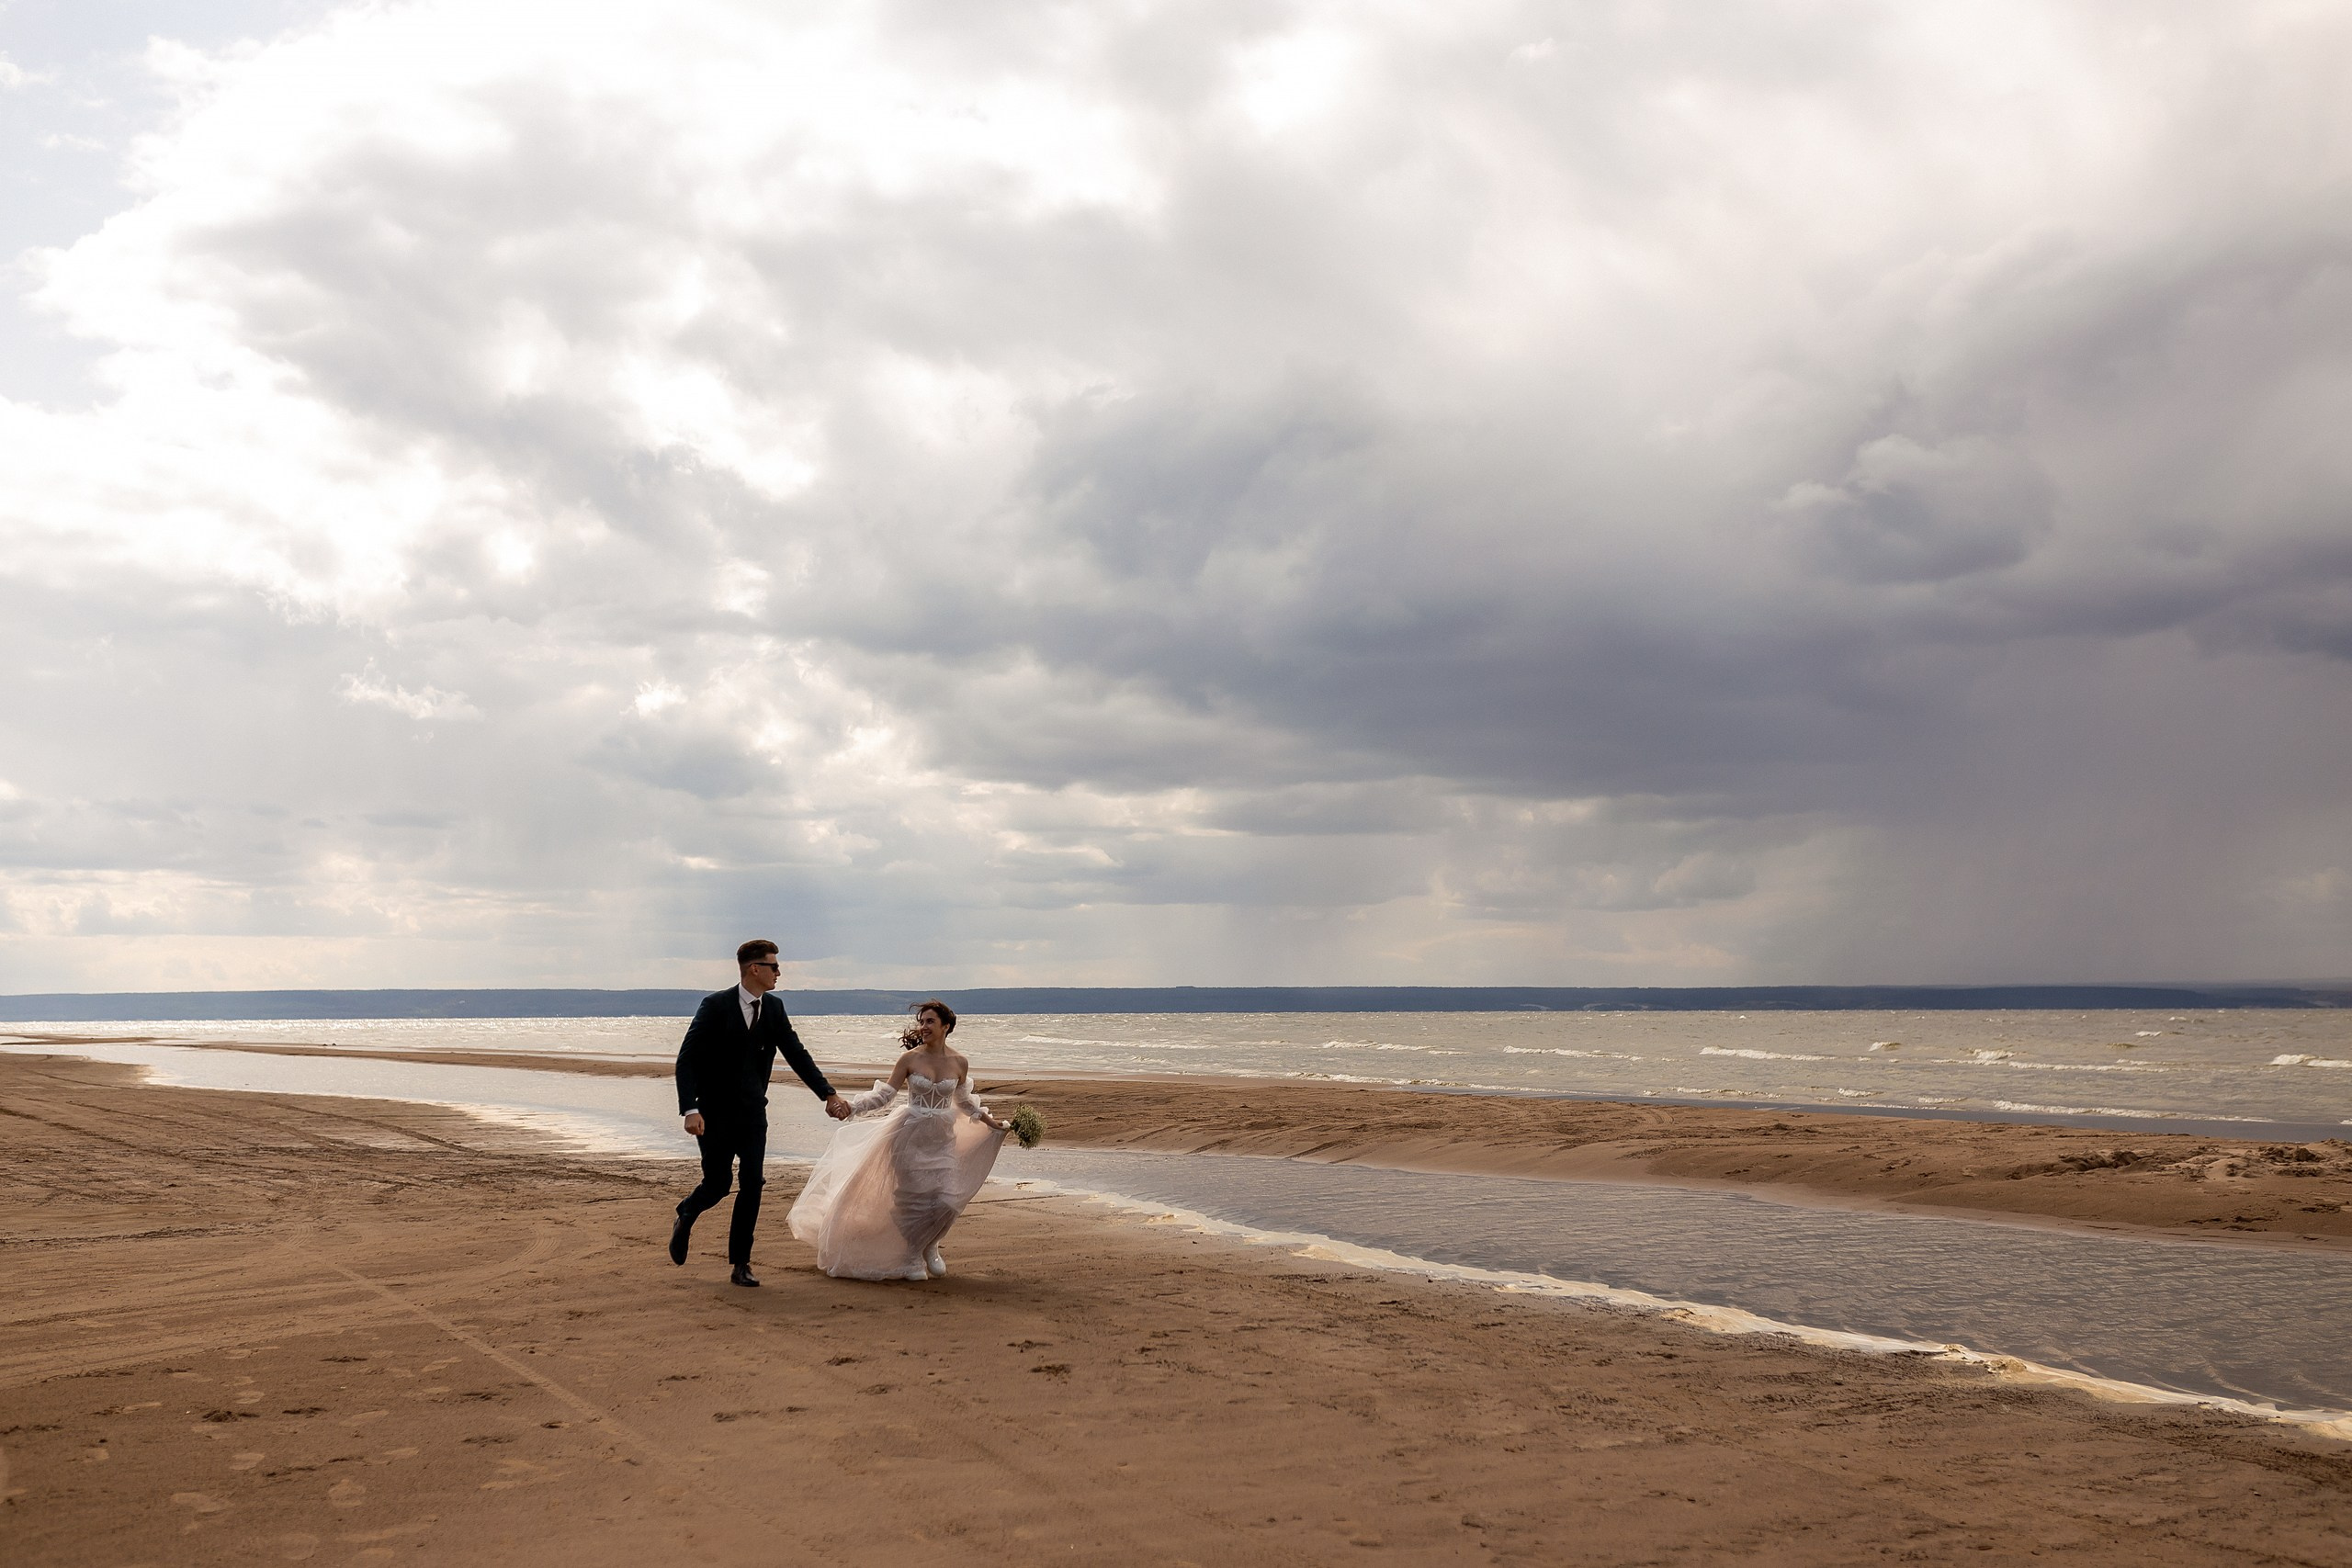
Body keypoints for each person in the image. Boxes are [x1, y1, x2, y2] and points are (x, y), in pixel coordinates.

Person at [669, 939, 852, 1286]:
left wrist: (827, 1093)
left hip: (754, 1113)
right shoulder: (715, 1006)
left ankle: (741, 1264)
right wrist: (690, 1109)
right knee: (719, 1183)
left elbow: (796, 1053)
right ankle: (687, 1213)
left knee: (753, 1183)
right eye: (774, 966)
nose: (779, 972)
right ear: (755, 969)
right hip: (713, 1114)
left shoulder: (775, 1008)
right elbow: (687, 1060)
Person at [787, 998, 1009, 1281]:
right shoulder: (910, 1059)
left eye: (930, 1021)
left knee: (947, 1200)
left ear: (946, 1026)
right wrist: (851, 1107)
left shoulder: (959, 1062)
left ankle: (929, 1244)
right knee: (911, 1199)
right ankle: (912, 1256)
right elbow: (885, 1096)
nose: (923, 1026)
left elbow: (964, 1102)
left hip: (942, 1138)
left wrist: (992, 1123)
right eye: (922, 1021)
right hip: (909, 1134)